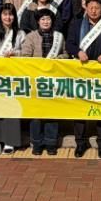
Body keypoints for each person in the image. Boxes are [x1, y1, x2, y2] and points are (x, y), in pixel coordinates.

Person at [66, 0, 101, 158]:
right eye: (91, 8)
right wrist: (78, 52)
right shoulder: (76, 24)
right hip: (81, 73)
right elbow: (69, 44)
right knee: (80, 109)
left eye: (97, 8)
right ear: (86, 8)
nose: (94, 11)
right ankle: (81, 143)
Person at [21, 8, 67, 155]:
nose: (46, 22)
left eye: (48, 19)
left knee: (52, 113)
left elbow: (66, 53)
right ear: (38, 22)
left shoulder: (59, 36)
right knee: (36, 114)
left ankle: (51, 143)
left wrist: (59, 58)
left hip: (54, 80)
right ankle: (37, 143)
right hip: (36, 80)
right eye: (43, 19)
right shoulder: (31, 36)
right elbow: (25, 56)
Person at [0, 3, 26, 155]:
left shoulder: (20, 34)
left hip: (13, 76)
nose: (8, 17)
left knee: (11, 107)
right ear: (0, 16)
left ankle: (10, 141)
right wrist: (0, 58)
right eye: (5, 14)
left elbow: (25, 52)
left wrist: (15, 53)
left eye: (11, 14)